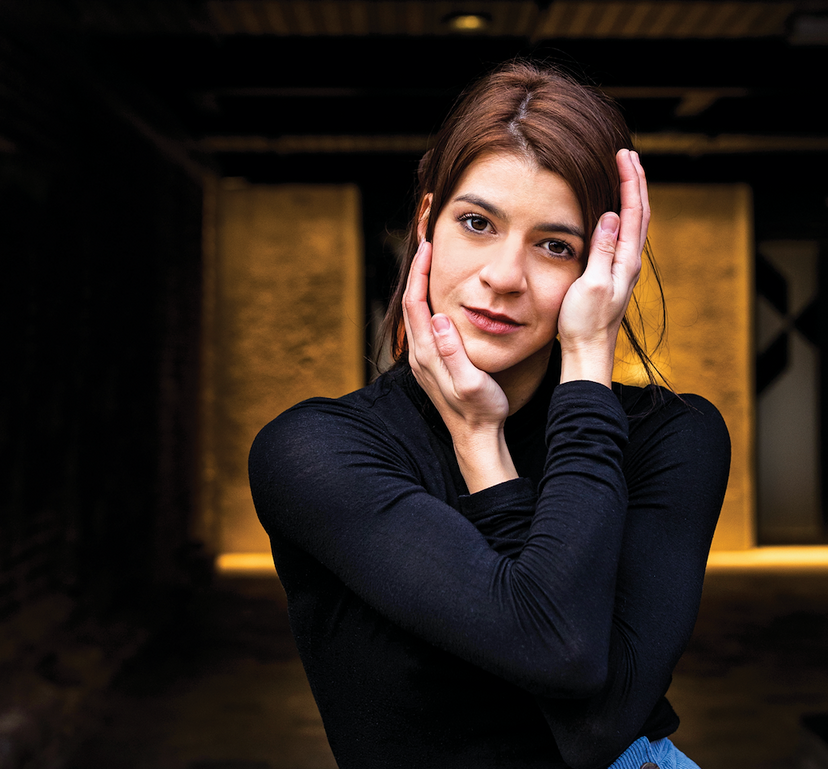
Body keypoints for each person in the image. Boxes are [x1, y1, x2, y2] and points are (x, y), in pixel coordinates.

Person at [249, 59, 731, 769]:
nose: (504, 276)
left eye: (555, 245)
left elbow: (598, 729)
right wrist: (481, 440)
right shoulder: (320, 451)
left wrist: (522, 418)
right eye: (478, 222)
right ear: (427, 224)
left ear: (605, 265)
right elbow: (560, 647)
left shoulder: (671, 437)